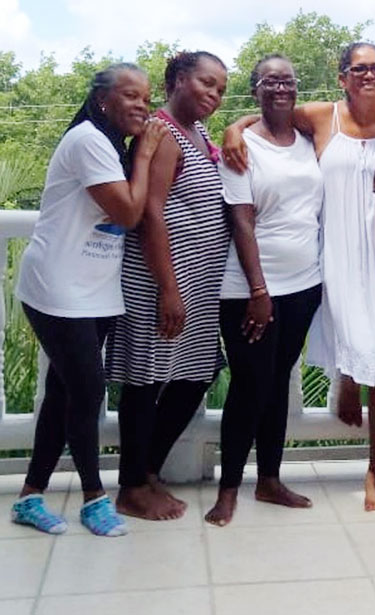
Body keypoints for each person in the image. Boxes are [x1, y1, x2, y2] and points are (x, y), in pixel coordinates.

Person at [221, 42, 375, 511]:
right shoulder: (320, 117)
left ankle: (374, 470)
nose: (368, 75)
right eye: (358, 69)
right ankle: (345, 380)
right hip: (330, 257)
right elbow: (266, 114)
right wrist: (233, 127)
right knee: (265, 378)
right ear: (341, 76)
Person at [12, 64, 167, 536]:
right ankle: (94, 498)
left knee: (62, 393)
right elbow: (129, 211)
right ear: (102, 100)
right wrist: (145, 156)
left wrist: (137, 153)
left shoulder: (108, 144)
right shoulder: (88, 141)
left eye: (146, 96)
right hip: (59, 289)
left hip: (96, 289)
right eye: (130, 96)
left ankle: (29, 497)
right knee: (86, 392)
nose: (142, 104)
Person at [104, 51, 230, 521]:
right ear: (178, 80)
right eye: (206, 83)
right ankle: (132, 486)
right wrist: (168, 288)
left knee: (196, 375)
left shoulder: (198, 134)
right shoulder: (162, 133)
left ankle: (147, 470)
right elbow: (151, 212)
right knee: (145, 381)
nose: (214, 95)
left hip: (196, 284)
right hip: (159, 280)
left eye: (220, 88)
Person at [204, 54, 323, 526]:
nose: (281, 89)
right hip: (250, 289)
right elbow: (241, 221)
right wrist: (258, 289)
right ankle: (229, 487)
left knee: (277, 384)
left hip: (304, 285)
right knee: (250, 386)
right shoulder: (240, 148)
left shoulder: (306, 137)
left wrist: (242, 118)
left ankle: (269, 480)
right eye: (269, 82)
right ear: (253, 90)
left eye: (288, 81)